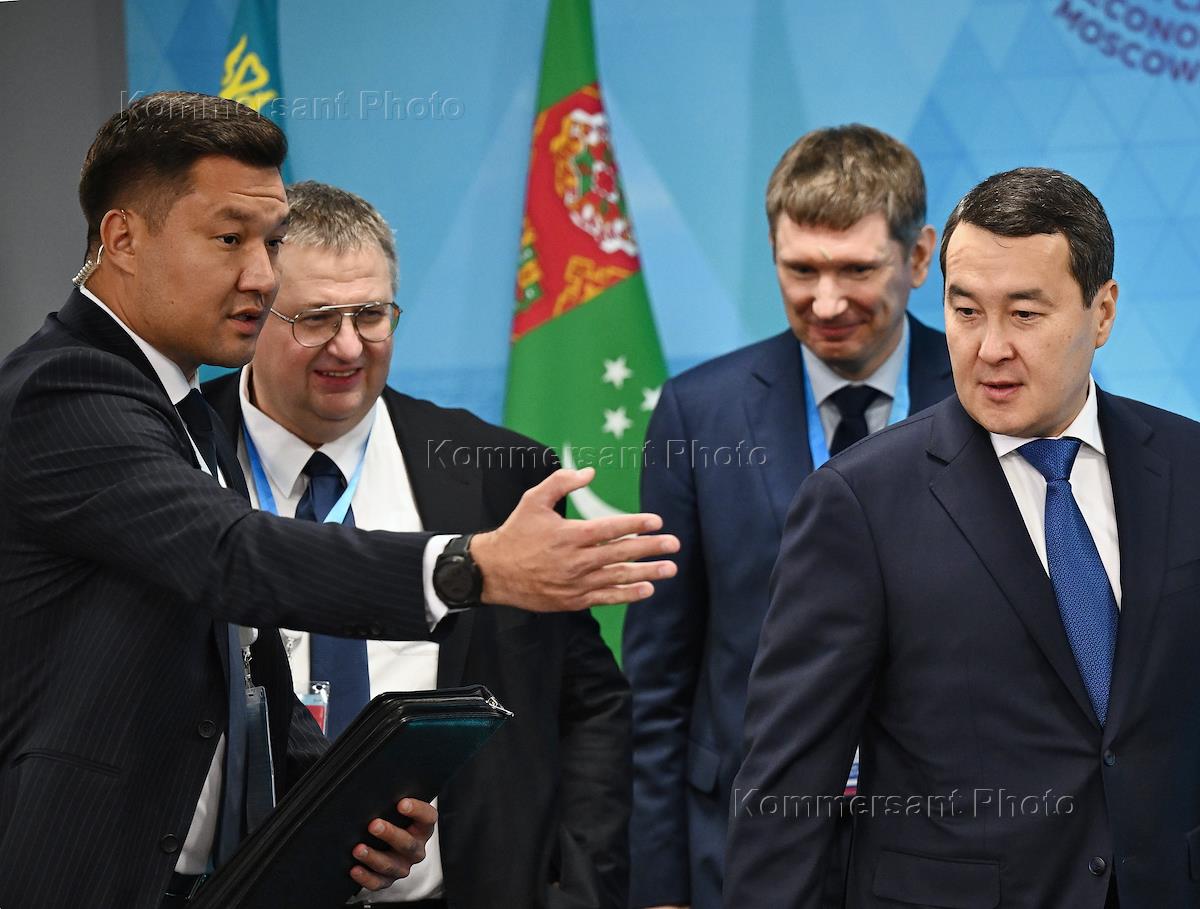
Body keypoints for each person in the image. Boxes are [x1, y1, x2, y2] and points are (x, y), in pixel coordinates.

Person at [0, 91, 676, 909]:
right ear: (123, 239)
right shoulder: (68, 388)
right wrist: (468, 567)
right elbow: (233, 555)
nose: (260, 274)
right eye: (230, 239)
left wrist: (353, 806)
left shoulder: (174, 404)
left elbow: (242, 665)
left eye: (270, 241)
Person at [725, 166, 1200, 908]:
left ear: (1102, 312)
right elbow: (786, 790)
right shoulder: (858, 503)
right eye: (966, 310)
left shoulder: (1186, 465)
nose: (990, 347)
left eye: (1025, 314)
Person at [202, 179, 632, 909]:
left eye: (371, 314)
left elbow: (589, 704)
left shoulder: (499, 474)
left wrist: (580, 890)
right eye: (316, 318)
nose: (348, 346)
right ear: (253, 311)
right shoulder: (174, 455)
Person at [622, 124, 954, 909]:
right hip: (741, 847)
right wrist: (659, 886)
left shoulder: (986, 399)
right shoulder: (698, 414)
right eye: (801, 269)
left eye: (857, 269)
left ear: (918, 257)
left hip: (943, 849)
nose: (826, 302)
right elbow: (658, 681)